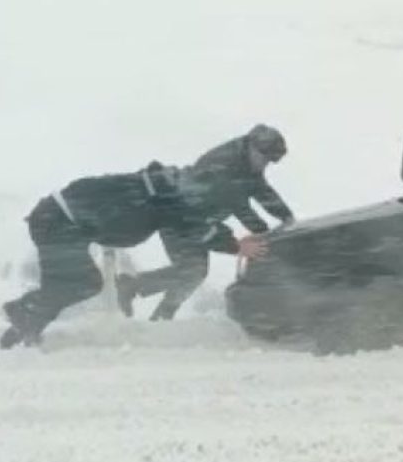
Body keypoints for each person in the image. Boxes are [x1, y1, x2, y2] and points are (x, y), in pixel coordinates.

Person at [0, 161, 267, 349]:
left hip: (60, 220)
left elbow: (192, 219)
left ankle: (21, 331)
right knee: (81, 283)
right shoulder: (166, 196)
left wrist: (232, 240)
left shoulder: (162, 188)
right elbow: (193, 225)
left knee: (67, 285)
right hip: (58, 222)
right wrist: (235, 246)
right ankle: (23, 314)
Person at [114, 124, 295, 321]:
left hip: (195, 219)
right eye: (264, 158)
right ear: (252, 147)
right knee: (193, 271)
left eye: (269, 161)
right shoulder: (224, 164)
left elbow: (261, 190)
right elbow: (239, 205)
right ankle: (150, 304)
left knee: (193, 271)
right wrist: (264, 233)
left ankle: (147, 301)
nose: (264, 164)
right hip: (180, 217)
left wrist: (286, 217)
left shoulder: (245, 163)